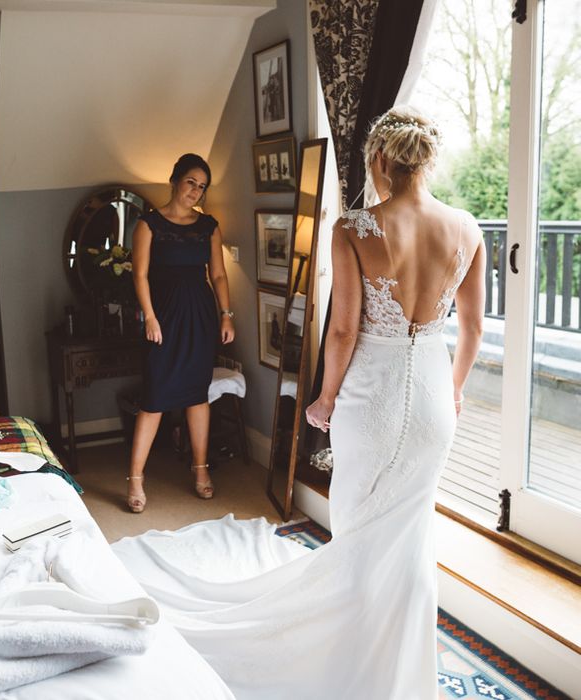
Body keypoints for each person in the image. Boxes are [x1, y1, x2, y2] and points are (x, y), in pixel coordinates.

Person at [111, 107, 486, 698]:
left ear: (381, 161)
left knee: (359, 527)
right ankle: (405, 667)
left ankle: (353, 646)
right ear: (426, 159)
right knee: (413, 528)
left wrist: (325, 400)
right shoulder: (466, 228)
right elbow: (472, 328)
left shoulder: (357, 229)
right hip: (434, 398)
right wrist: (456, 389)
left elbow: (341, 332)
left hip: (373, 397)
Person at [126, 154, 235, 513]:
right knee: (155, 396)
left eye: (202, 187)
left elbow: (218, 275)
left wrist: (226, 315)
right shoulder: (148, 224)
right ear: (174, 179)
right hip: (164, 317)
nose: (196, 191)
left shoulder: (209, 226)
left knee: (197, 395)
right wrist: (150, 317)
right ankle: (136, 477)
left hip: (200, 316)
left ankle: (200, 469)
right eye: (191, 182)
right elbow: (139, 275)